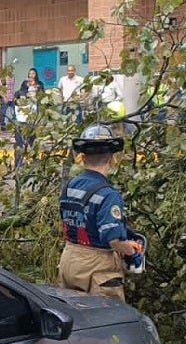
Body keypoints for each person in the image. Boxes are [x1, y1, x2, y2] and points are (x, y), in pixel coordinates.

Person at [57, 124, 145, 303]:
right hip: (96, 268)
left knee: (74, 318)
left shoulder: (70, 185)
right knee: (106, 323)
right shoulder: (108, 195)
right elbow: (114, 240)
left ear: (83, 157)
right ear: (112, 159)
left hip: (69, 259)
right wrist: (133, 252)